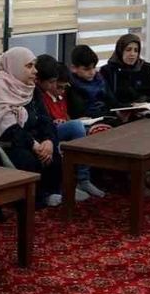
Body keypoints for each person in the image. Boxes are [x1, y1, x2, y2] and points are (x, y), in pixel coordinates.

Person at [0, 47, 63, 206]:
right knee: (26, 157)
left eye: (34, 65)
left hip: (28, 137)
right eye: (29, 66)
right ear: (14, 66)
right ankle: (34, 200)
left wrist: (48, 140)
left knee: (53, 152)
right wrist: (35, 145)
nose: (35, 71)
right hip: (5, 142)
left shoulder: (30, 88)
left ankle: (55, 192)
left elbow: (45, 119)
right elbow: (8, 129)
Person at [31, 55, 100, 198]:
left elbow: (62, 115)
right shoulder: (38, 94)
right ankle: (77, 181)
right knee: (76, 127)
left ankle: (85, 179)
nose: (55, 87)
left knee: (88, 129)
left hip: (49, 130)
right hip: (39, 134)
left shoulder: (58, 95)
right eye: (53, 83)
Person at [99, 34, 150, 107]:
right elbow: (106, 101)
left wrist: (145, 101)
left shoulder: (145, 68)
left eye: (136, 50)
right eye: (128, 50)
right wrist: (130, 106)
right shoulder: (108, 70)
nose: (132, 54)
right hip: (120, 111)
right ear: (120, 50)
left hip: (145, 110)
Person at [65, 45, 120, 121]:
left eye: (94, 67)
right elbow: (78, 112)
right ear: (74, 68)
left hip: (107, 117)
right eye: (86, 69)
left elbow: (113, 102)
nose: (92, 72)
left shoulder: (100, 80)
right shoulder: (70, 86)